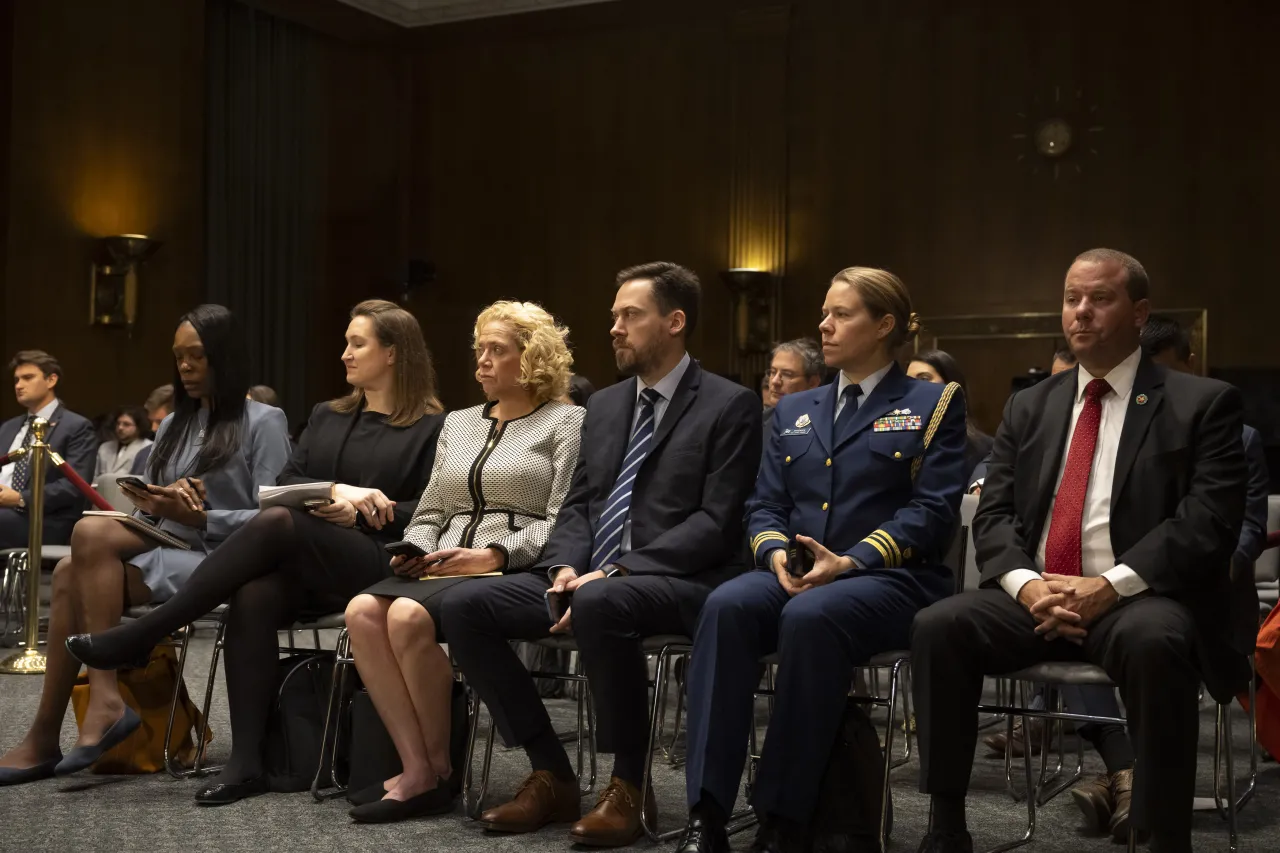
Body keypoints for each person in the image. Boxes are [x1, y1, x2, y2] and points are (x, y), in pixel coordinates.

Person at [910, 248, 1249, 853]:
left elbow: (1205, 524)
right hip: (1039, 592)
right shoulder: (1031, 404)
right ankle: (946, 825)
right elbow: (994, 514)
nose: (1081, 312)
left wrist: (1109, 585)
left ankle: (1158, 834)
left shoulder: (1201, 403)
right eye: (1072, 299)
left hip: (1136, 596)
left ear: (1139, 312)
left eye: (1100, 299)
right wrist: (1027, 584)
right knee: (940, 626)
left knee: (1156, 642)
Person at [66, 298, 447, 806]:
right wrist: (333, 492)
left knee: (278, 521)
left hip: (379, 562)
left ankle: (145, 631)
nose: (344, 355)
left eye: (357, 344)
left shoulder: (434, 426)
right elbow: (285, 486)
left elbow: (435, 509)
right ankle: (247, 763)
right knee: (254, 591)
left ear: (395, 353)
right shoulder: (329, 416)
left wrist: (362, 510)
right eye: (346, 343)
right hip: (306, 553)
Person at [442, 262, 761, 847]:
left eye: (630, 315)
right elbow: (582, 503)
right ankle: (552, 773)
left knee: (602, 603)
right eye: (614, 315)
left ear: (675, 322)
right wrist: (564, 565)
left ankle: (629, 785)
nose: (614, 327)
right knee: (465, 606)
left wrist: (611, 571)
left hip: (684, 581)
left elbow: (715, 525)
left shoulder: (729, 404)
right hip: (592, 578)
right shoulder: (610, 405)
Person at [676, 267, 968, 853]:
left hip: (891, 577)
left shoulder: (932, 402)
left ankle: (784, 818)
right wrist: (775, 552)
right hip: (800, 573)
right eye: (824, 312)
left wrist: (855, 559)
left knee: (811, 620)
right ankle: (706, 815)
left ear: (884, 325)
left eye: (842, 314)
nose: (824, 325)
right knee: (727, 606)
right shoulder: (795, 408)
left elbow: (932, 511)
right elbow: (765, 502)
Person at [0, 306, 291, 785]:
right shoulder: (174, 421)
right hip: (168, 541)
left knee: (87, 539)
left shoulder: (264, 420)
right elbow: (152, 507)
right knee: (75, 568)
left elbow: (276, 517)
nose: (186, 367)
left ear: (225, 354)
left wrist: (200, 515)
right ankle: (53, 730)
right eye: (179, 358)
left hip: (224, 559)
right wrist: (156, 502)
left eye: (196, 356)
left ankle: (89, 710)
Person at [342, 300, 584, 823]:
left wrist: (495, 553)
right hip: (441, 563)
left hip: (510, 566)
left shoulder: (566, 422)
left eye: (497, 351)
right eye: (480, 350)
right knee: (361, 611)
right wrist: (416, 551)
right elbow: (430, 509)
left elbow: (563, 516)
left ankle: (436, 771)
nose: (482, 362)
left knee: (405, 616)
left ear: (533, 358)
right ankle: (418, 767)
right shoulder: (459, 423)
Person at [0, 351, 98, 547]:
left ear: (51, 380)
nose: (19, 385)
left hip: (46, 519)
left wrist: (20, 498)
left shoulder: (76, 426)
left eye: (27, 378)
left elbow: (74, 487)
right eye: (16, 379)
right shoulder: (8, 427)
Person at [908, 349, 993, 482]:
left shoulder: (986, 448)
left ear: (950, 385)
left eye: (924, 379)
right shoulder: (897, 439)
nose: (914, 387)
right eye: (908, 381)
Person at [761, 338, 825, 450]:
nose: (775, 381)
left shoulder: (825, 423)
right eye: (773, 372)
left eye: (787, 374)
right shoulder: (760, 420)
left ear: (812, 382)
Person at [93, 405, 153, 481]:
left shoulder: (147, 448)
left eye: (126, 424)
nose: (120, 428)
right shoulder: (105, 447)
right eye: (118, 423)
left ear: (139, 427)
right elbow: (95, 476)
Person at [130, 385, 176, 477]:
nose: (153, 428)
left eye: (160, 422)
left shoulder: (199, 454)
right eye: (151, 421)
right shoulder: (144, 454)